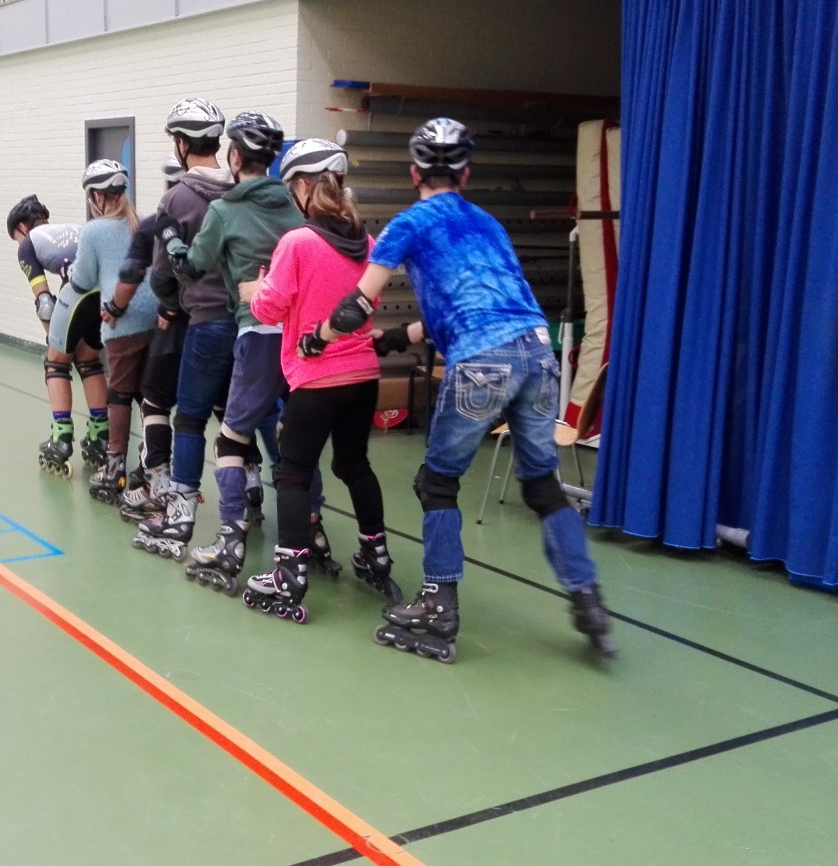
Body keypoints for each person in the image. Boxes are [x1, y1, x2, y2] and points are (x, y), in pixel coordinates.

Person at [299, 118, 616, 662]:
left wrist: (317, 338)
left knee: (437, 485)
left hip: (481, 364)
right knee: (542, 486)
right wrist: (396, 338)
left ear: (413, 171)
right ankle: (588, 599)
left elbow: (355, 306)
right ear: (466, 174)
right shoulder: (488, 224)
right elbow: (478, 311)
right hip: (537, 352)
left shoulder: (410, 222)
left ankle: (438, 605)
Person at [240, 139, 402, 623]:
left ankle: (289, 572)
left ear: (306, 186)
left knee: (292, 472)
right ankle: (376, 553)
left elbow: (270, 308)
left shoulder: (299, 242)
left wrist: (256, 288)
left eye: (293, 188)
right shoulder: (366, 242)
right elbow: (364, 303)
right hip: (363, 373)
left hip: (316, 376)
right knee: (353, 463)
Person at [171, 111, 310, 593]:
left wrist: (173, 245)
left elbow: (197, 265)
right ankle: (308, 529)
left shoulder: (225, 210)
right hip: (299, 342)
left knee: (231, 440)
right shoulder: (294, 209)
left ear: (234, 156)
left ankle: (230, 539)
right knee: (293, 443)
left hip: (256, 334)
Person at [132, 98, 238, 560]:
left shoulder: (177, 198)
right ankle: (251, 511)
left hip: (206, 321)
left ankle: (179, 516)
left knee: (189, 418)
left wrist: (172, 307)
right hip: (253, 324)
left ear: (182, 143)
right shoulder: (243, 190)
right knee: (239, 420)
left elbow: (162, 276)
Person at [68, 160, 161, 503]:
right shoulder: (141, 222)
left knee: (119, 394)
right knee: (148, 396)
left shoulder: (94, 230)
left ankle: (114, 467)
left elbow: (82, 280)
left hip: (120, 318)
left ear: (96, 196)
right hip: (155, 319)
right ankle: (154, 465)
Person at [107, 157, 188, 520]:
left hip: (176, 326)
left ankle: (157, 483)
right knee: (215, 411)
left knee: (154, 400)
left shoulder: (156, 224)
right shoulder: (222, 214)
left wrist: (114, 306)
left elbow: (134, 275)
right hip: (224, 326)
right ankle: (250, 491)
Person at [6, 195, 104, 477]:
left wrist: (55, 342)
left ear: (23, 228)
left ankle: (61, 439)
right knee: (89, 361)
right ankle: (100, 434)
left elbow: (45, 303)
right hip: (105, 292)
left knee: (56, 363)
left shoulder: (28, 244)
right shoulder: (75, 228)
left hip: (79, 290)